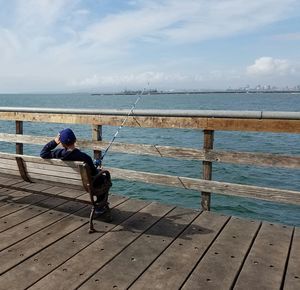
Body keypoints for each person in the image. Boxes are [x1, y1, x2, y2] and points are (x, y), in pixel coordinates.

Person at [40, 128, 111, 217]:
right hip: (88, 184)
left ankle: (100, 205)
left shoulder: (59, 153)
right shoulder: (85, 157)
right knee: (104, 178)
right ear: (75, 140)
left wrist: (54, 141)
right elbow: (93, 172)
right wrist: (98, 168)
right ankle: (99, 207)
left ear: (61, 143)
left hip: (68, 181)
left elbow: (43, 153)